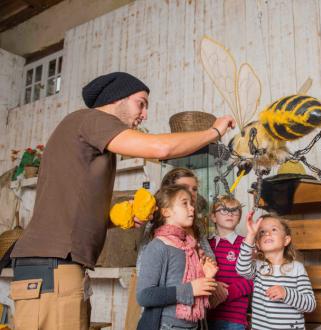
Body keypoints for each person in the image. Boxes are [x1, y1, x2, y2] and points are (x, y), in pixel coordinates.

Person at [9, 71, 235, 330]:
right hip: (53, 264)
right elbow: (161, 149)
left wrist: (117, 216)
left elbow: (75, 208)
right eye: (141, 103)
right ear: (117, 99)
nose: (145, 114)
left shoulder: (93, 140)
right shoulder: (91, 119)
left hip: (62, 265)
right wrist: (214, 131)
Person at [136, 185, 218, 329]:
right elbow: (144, 295)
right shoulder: (157, 247)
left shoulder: (191, 247)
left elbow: (197, 291)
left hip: (193, 325)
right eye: (184, 203)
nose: (192, 208)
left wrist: (206, 276)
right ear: (166, 211)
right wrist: (190, 289)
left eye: (191, 204)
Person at [236, 213, 316, 330]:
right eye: (262, 232)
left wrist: (286, 293)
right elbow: (241, 268)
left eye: (274, 229)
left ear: (286, 240)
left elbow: (310, 305)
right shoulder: (258, 267)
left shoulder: (297, 268)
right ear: (257, 244)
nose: (267, 233)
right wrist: (251, 235)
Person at [207, 195, 253, 330]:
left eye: (235, 211)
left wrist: (226, 293)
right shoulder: (206, 245)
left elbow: (252, 279)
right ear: (213, 217)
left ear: (239, 218)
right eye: (224, 210)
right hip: (207, 314)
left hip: (234, 317)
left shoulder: (246, 244)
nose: (230, 214)